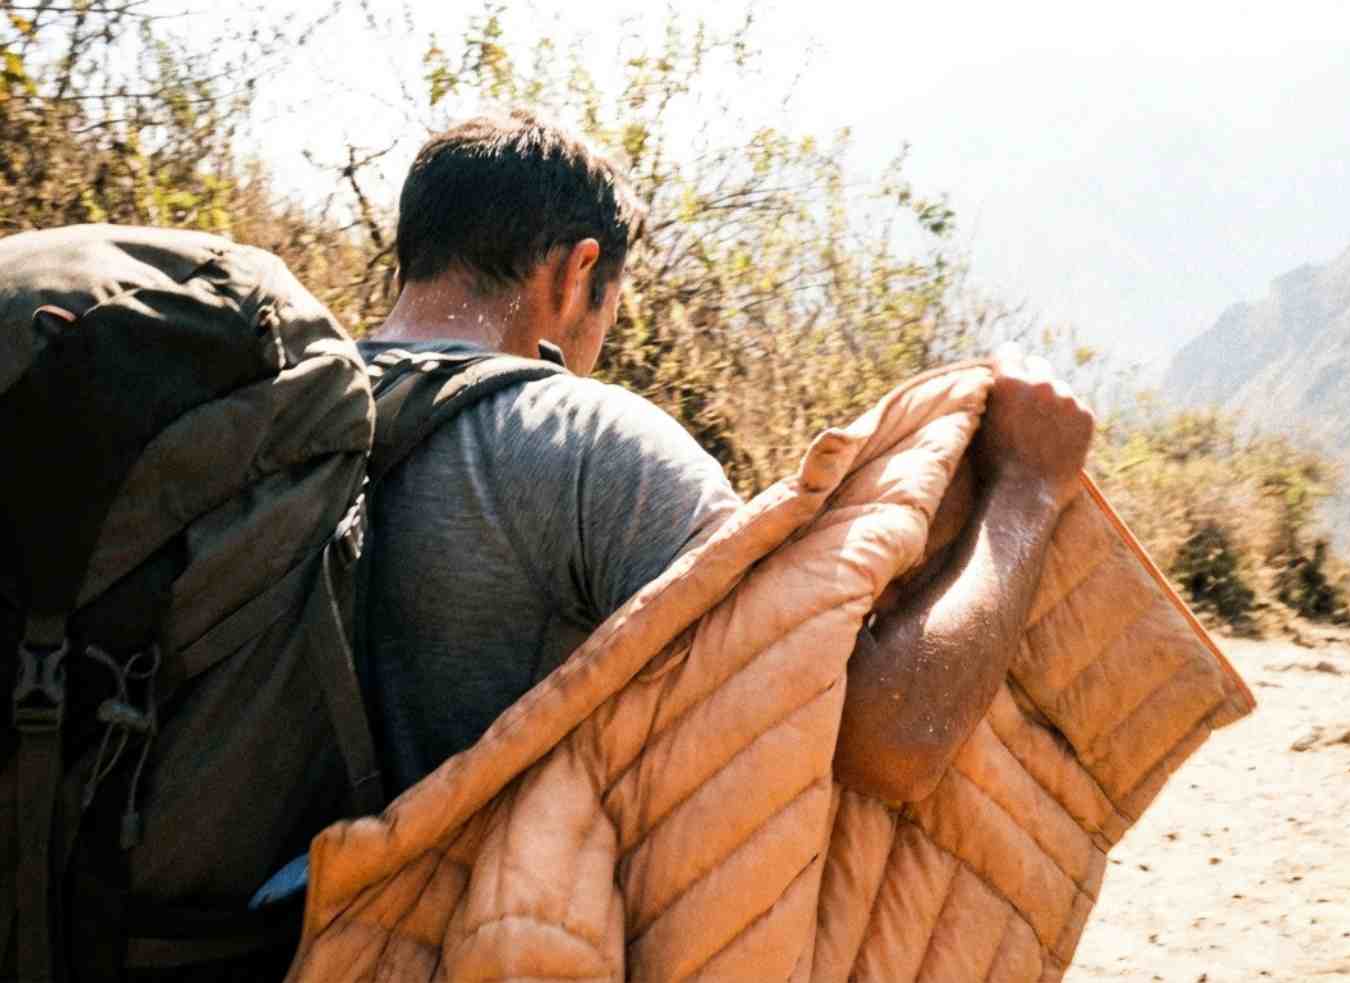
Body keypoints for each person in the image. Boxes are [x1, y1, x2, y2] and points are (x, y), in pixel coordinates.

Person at [362, 108, 1095, 805]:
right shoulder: (588, 446)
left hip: (270, 921)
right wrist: (1026, 489)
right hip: (465, 931)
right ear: (578, 271)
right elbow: (884, 745)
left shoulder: (298, 408)